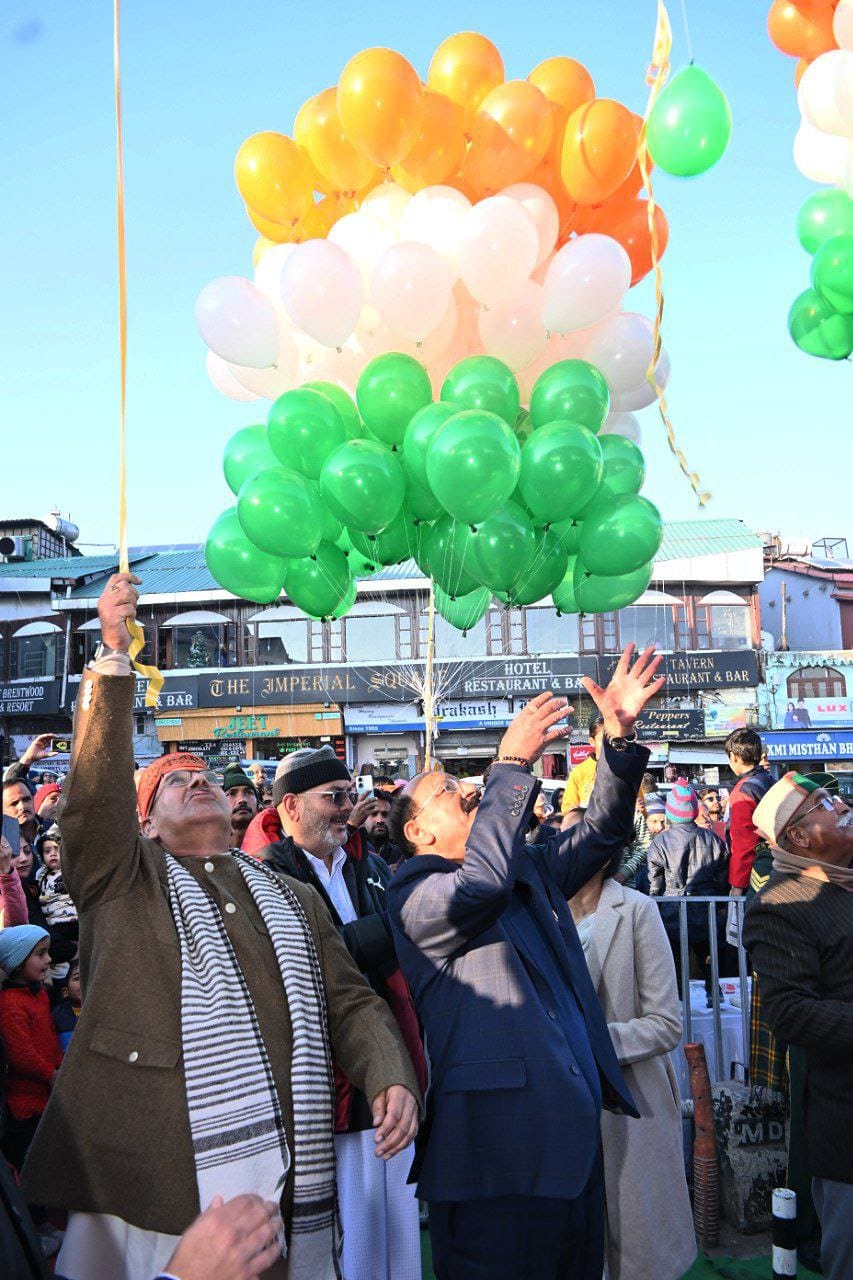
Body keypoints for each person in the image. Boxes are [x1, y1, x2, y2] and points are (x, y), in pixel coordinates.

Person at [22, 573, 421, 1280]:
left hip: (287, 1174)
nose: (198, 780)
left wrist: (386, 1068)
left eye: (201, 774)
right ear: (144, 824)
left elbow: (349, 1000)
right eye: (173, 782)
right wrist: (112, 657)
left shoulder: (289, 894)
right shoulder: (121, 879)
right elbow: (93, 801)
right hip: (148, 1177)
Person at [387, 644, 664, 1280]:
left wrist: (617, 741)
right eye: (447, 790)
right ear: (418, 833)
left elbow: (603, 833)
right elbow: (480, 885)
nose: (466, 788)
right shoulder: (414, 894)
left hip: (570, 1156)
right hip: (495, 1166)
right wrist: (511, 764)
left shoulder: (526, 869)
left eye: (465, 781)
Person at [261, 747, 426, 1280]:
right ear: (290, 806)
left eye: (349, 796)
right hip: (323, 1075)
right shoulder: (267, 874)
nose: (346, 808)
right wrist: (395, 927)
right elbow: (311, 959)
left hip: (389, 1053)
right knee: (349, 1231)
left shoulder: (369, 864)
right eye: (333, 797)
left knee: (399, 1224)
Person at [743, 773, 853, 1280]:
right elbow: (790, 1013)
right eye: (825, 802)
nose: (843, 804)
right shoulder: (781, 903)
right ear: (799, 837)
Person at [569, 858, 696, 1280]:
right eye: (560, 836)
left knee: (637, 1243)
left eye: (578, 836)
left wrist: (585, 1043)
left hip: (630, 1100)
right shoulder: (542, 914)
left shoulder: (638, 909)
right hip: (565, 1105)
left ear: (604, 853)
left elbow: (665, 1024)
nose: (564, 848)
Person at [648, 781, 728, 984]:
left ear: (671, 811)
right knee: (708, 963)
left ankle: (678, 999)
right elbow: (722, 879)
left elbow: (655, 885)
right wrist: (720, 904)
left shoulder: (659, 843)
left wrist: (656, 906)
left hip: (671, 910)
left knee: (674, 965)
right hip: (706, 909)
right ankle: (714, 995)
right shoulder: (714, 840)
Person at [0, 926, 63, 1173]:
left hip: (46, 1096)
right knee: (31, 1165)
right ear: (17, 963)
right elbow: (20, 1055)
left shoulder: (39, 993)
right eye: (40, 954)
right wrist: (51, 1073)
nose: (49, 959)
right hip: (26, 1107)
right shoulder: (11, 1004)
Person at [725, 728, 774, 899]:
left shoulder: (743, 792)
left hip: (758, 874)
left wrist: (737, 885)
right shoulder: (770, 780)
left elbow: (744, 844)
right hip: (780, 865)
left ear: (734, 757)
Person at [35, 824, 78, 950]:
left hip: (76, 920)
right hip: (55, 924)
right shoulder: (41, 875)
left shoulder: (71, 869)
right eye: (47, 851)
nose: (53, 854)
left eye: (57, 849)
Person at [560, 714, 604, 814]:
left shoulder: (626, 768)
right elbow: (567, 810)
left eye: (612, 739)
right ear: (592, 741)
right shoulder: (579, 773)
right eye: (603, 739)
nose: (608, 744)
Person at [222, 763, 260, 849]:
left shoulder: (274, 848)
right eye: (232, 793)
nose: (242, 799)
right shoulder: (206, 852)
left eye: (249, 793)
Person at [52, 955, 82, 1052]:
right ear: (65, 992)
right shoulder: (57, 1015)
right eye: (77, 978)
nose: (84, 982)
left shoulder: (103, 1011)